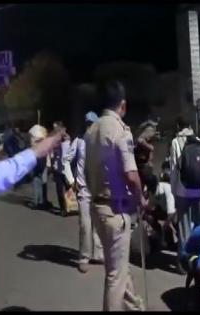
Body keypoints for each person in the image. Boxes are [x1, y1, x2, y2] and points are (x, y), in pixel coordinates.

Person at [85, 80, 146, 311]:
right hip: (115, 209)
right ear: (123, 105)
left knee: (119, 268)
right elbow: (131, 174)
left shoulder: (90, 131)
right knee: (115, 277)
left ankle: (135, 307)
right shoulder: (120, 130)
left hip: (97, 207)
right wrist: (140, 198)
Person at [64, 111, 103, 273]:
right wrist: (72, 181)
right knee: (85, 225)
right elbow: (66, 161)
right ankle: (83, 257)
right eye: (87, 124)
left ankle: (98, 254)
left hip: (98, 190)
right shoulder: (79, 141)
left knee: (98, 224)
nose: (89, 127)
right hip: (83, 190)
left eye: (92, 124)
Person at [169, 117, 200, 274]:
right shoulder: (198, 141)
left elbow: (173, 169)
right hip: (199, 189)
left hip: (183, 190)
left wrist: (174, 190)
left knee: (184, 228)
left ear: (178, 126)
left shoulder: (175, 142)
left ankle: (184, 265)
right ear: (190, 126)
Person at [0, 131, 63, 197]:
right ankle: (38, 201)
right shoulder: (13, 138)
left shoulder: (18, 137)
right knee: (37, 181)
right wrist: (35, 152)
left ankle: (40, 201)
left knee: (39, 182)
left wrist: (35, 152)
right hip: (34, 159)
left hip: (34, 159)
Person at [51, 122, 74, 216]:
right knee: (60, 190)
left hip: (65, 168)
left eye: (60, 129)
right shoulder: (55, 140)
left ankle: (71, 206)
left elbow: (67, 156)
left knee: (69, 188)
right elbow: (53, 154)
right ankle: (63, 208)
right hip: (58, 168)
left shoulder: (67, 139)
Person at [28, 124, 51, 210]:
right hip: (42, 162)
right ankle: (42, 201)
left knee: (36, 182)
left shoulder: (32, 138)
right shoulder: (44, 139)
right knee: (43, 182)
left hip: (35, 162)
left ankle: (36, 202)